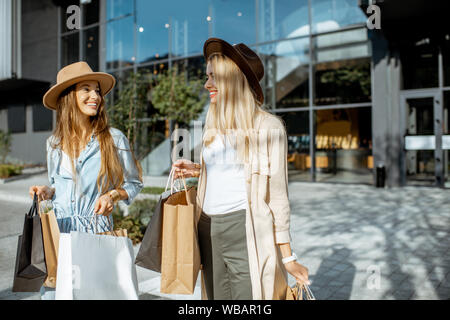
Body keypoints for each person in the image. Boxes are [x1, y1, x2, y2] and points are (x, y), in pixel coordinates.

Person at [172, 38, 309, 300]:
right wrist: (200, 170)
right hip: (207, 226)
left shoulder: (269, 128)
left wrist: (288, 257)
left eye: (213, 77)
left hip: (244, 230)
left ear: (232, 79)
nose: (206, 84)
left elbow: (278, 197)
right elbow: (233, 173)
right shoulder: (213, 126)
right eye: (207, 76)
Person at [29, 61, 143, 299]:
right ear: (69, 97)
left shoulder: (114, 139)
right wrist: (45, 191)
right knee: (54, 295)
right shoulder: (53, 144)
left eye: (98, 91)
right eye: (86, 89)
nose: (95, 96)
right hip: (58, 233)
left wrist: (112, 194)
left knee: (96, 294)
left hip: (96, 233)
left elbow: (134, 183)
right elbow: (55, 184)